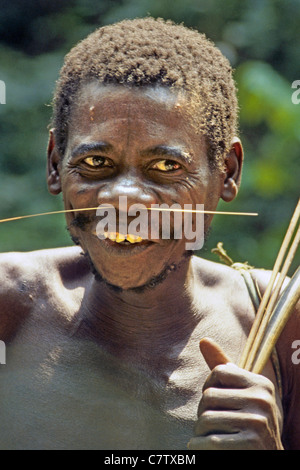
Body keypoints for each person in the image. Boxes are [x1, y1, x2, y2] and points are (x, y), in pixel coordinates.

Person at [0, 17, 299, 450]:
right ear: (54, 164)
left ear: (228, 172)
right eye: (97, 163)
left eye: (166, 167)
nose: (124, 198)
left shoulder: (277, 325)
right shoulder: (10, 309)